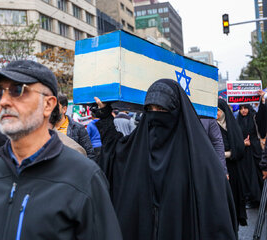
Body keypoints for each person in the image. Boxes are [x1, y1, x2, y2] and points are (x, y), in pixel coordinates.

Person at [0, 60, 122, 240]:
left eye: (17, 90)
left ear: (48, 105)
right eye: (0, 93)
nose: (3, 101)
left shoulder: (84, 177)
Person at [93, 79, 237, 240]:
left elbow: (218, 220)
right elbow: (115, 153)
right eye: (150, 109)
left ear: (176, 110)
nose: (155, 114)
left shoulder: (202, 162)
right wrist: (105, 115)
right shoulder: (139, 146)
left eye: (161, 109)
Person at [217, 99, 247, 226]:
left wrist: (226, 154)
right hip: (220, 168)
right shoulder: (211, 126)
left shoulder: (232, 125)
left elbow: (239, 148)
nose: (216, 113)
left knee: (234, 196)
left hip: (234, 168)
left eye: (218, 110)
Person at [237, 91, 266, 207]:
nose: (243, 110)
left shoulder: (254, 116)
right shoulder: (236, 120)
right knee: (247, 174)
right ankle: (251, 198)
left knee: (259, 173)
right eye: (241, 108)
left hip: (255, 149)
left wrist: (262, 100)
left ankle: (262, 198)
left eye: (245, 108)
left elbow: (262, 118)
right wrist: (242, 143)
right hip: (244, 151)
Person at [55, 93, 96, 161]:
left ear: (64, 109)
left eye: (55, 107)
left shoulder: (78, 128)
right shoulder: (45, 129)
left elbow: (90, 154)